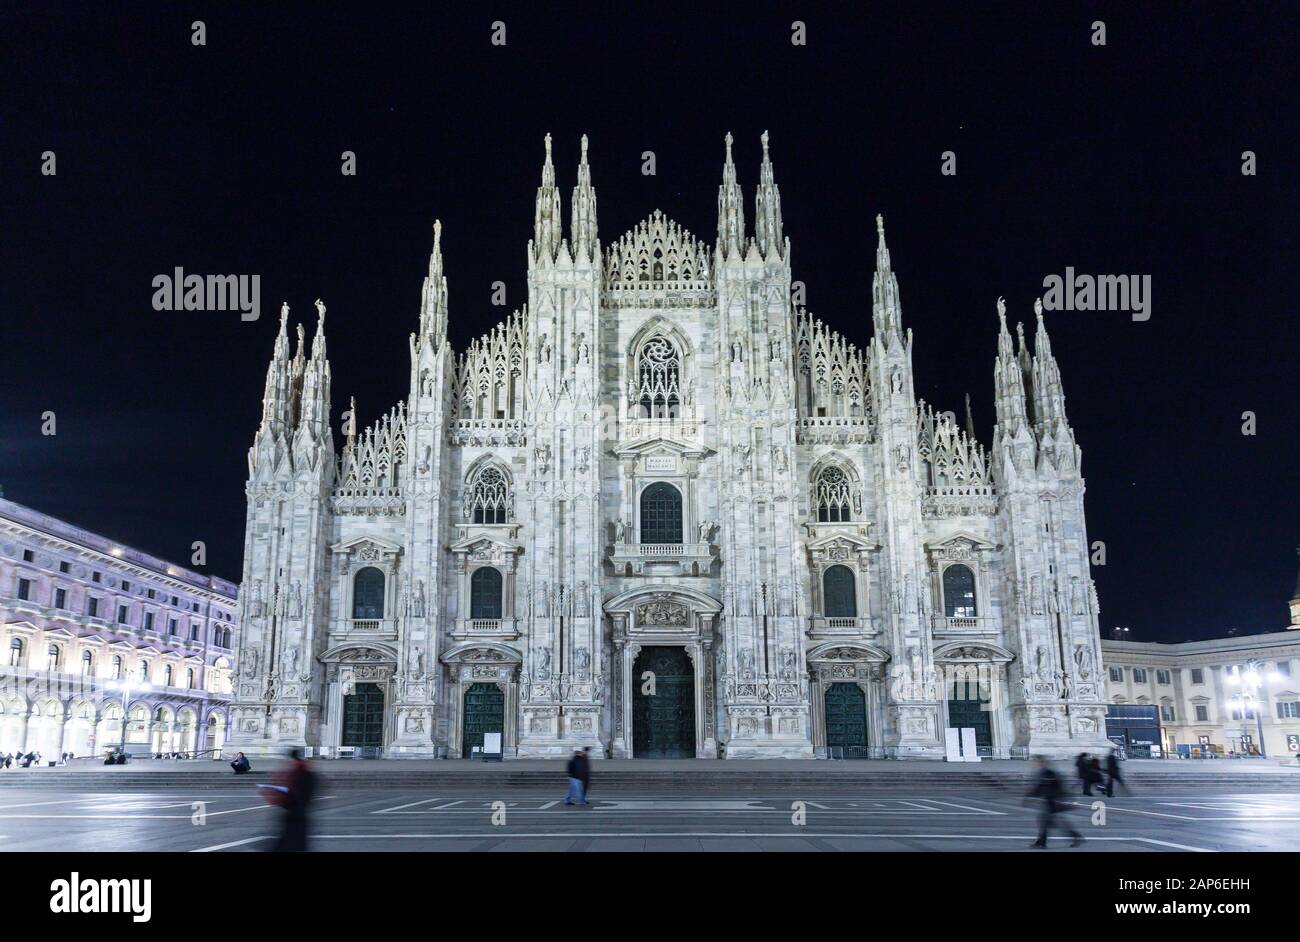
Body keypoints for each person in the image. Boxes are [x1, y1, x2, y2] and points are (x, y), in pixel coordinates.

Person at [263, 748, 317, 852]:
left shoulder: (297, 772)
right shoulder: (305, 771)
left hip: (294, 812)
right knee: (295, 842)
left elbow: (291, 791)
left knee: (289, 842)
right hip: (298, 813)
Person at [1027, 755, 1083, 849]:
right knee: (1051, 822)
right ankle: (1075, 837)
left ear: (1041, 763)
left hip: (1053, 801)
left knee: (1045, 821)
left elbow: (1049, 787)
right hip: (1051, 800)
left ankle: (1041, 843)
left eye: (1036, 762)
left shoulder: (1048, 773)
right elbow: (1041, 787)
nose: (1034, 764)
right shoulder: (1044, 772)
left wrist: (1030, 796)